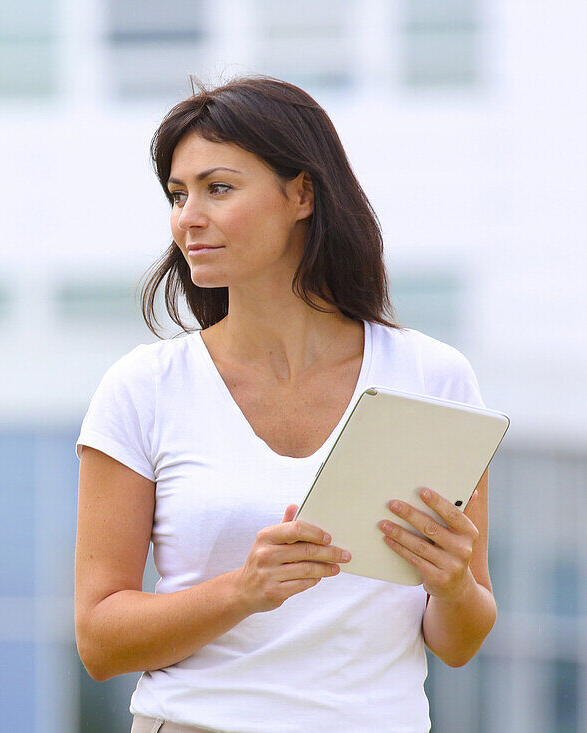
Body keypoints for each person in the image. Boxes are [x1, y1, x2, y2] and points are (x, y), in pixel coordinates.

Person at [73, 75, 495, 733]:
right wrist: (243, 591)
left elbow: (461, 638)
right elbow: (99, 639)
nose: (189, 216)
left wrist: (453, 584)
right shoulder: (143, 387)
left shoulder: (433, 376)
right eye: (178, 195)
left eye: (219, 188)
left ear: (302, 193)